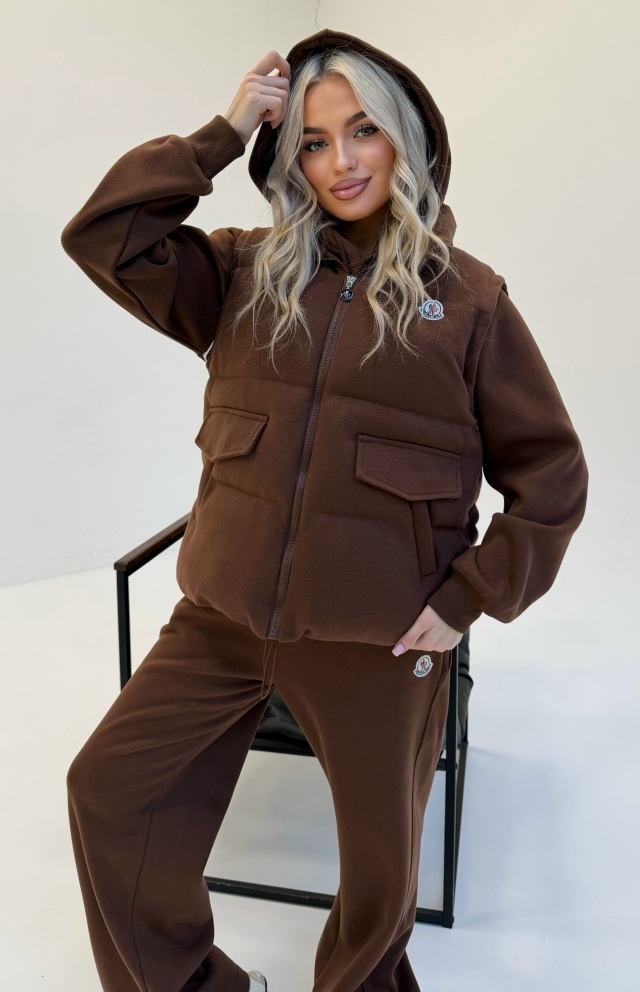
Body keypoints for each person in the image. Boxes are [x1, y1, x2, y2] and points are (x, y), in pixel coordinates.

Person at [61, 28, 589, 992]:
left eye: (363, 131)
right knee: (108, 791)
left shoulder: (470, 304)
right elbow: (105, 235)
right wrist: (222, 134)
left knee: (380, 881)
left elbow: (552, 474)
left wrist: (469, 597)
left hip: (380, 639)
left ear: (406, 139)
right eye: (312, 140)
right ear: (287, 157)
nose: (342, 160)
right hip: (221, 619)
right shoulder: (242, 273)